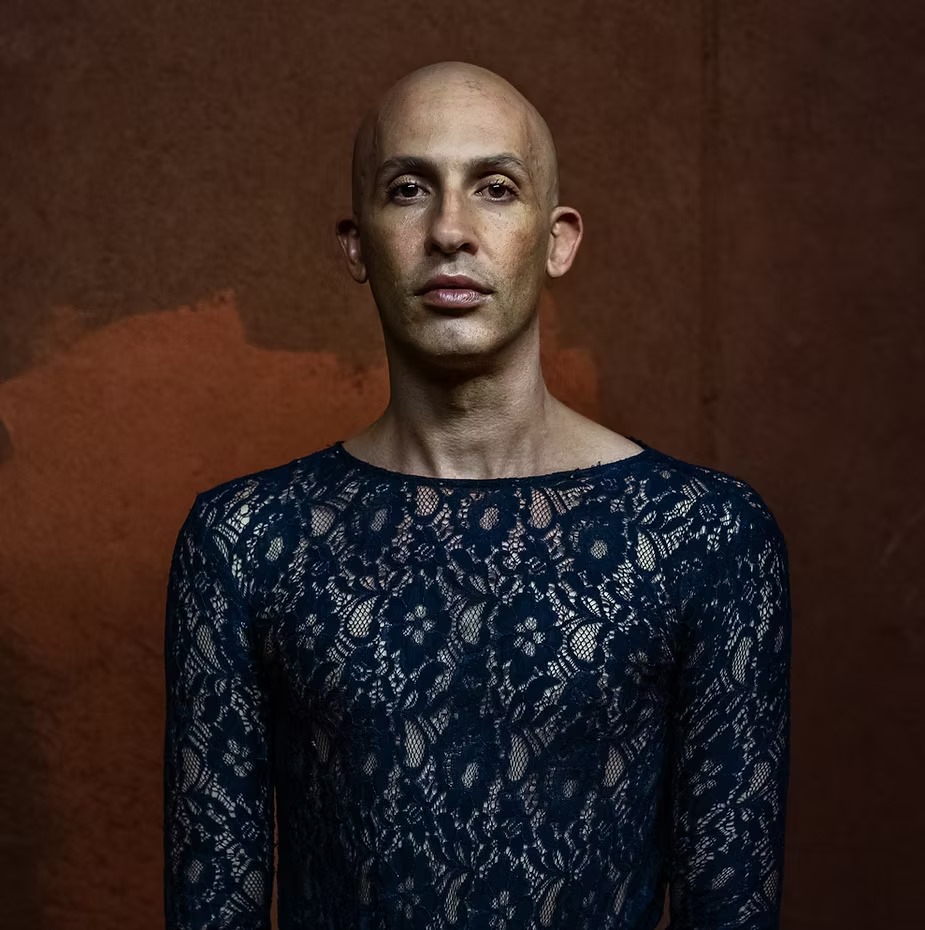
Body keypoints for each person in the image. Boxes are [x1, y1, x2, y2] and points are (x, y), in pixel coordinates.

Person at [163, 61, 792, 930]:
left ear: (557, 239)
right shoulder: (244, 541)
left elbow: (730, 908)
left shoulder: (706, 537)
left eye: (495, 188)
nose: (450, 231)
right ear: (355, 244)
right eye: (408, 189)